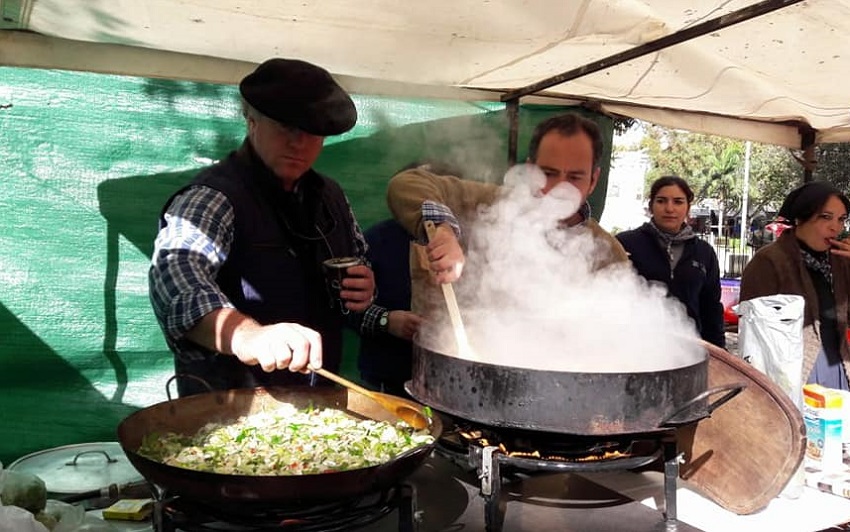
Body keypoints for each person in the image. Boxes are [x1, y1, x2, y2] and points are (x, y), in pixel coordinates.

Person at [149, 58, 375, 396]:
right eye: (286, 127)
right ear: (252, 120)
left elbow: (359, 258)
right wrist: (247, 336)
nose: (299, 143)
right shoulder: (213, 197)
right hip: (227, 413)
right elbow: (175, 279)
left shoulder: (331, 196)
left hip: (319, 400)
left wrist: (364, 285)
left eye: (312, 132)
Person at [386, 113, 629, 319]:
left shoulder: (608, 255)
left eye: (575, 177)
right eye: (548, 173)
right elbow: (408, 182)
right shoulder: (490, 204)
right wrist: (443, 228)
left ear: (594, 180)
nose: (558, 188)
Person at [740, 181, 850, 390]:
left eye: (841, 219)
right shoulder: (770, 261)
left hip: (837, 364)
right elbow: (753, 335)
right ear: (800, 218)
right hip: (789, 372)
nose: (835, 227)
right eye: (825, 217)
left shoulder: (839, 260)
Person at [615, 176, 725, 348]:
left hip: (690, 353)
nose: (669, 208)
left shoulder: (704, 252)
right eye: (661, 201)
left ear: (688, 207)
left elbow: (711, 308)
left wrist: (718, 353)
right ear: (651, 206)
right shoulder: (625, 244)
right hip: (634, 350)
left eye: (678, 201)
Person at [357, 217, 423, 396]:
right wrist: (386, 320)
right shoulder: (379, 239)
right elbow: (342, 307)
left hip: (449, 382)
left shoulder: (473, 242)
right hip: (387, 381)